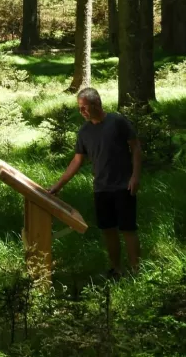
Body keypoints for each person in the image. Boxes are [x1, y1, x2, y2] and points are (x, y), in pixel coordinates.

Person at [48, 88, 142, 277]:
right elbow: (77, 160)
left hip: (124, 186)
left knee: (128, 229)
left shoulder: (117, 122)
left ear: (96, 104)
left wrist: (135, 176)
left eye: (84, 107)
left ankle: (136, 271)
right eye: (79, 108)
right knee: (108, 230)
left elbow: (136, 147)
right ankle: (116, 269)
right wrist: (57, 186)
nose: (81, 112)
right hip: (101, 188)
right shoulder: (84, 132)